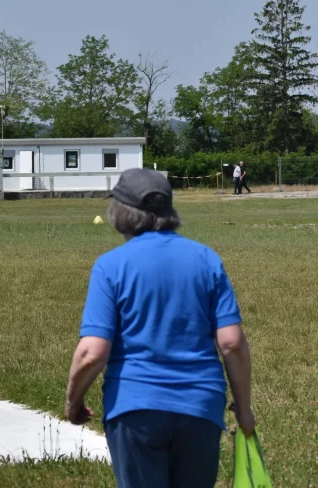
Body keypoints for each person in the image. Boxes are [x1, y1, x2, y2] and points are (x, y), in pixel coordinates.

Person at [65, 168, 254, 488]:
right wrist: (244, 408)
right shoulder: (207, 260)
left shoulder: (111, 266)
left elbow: (92, 352)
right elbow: (232, 343)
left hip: (135, 408)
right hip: (200, 407)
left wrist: (72, 402)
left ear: (121, 213)